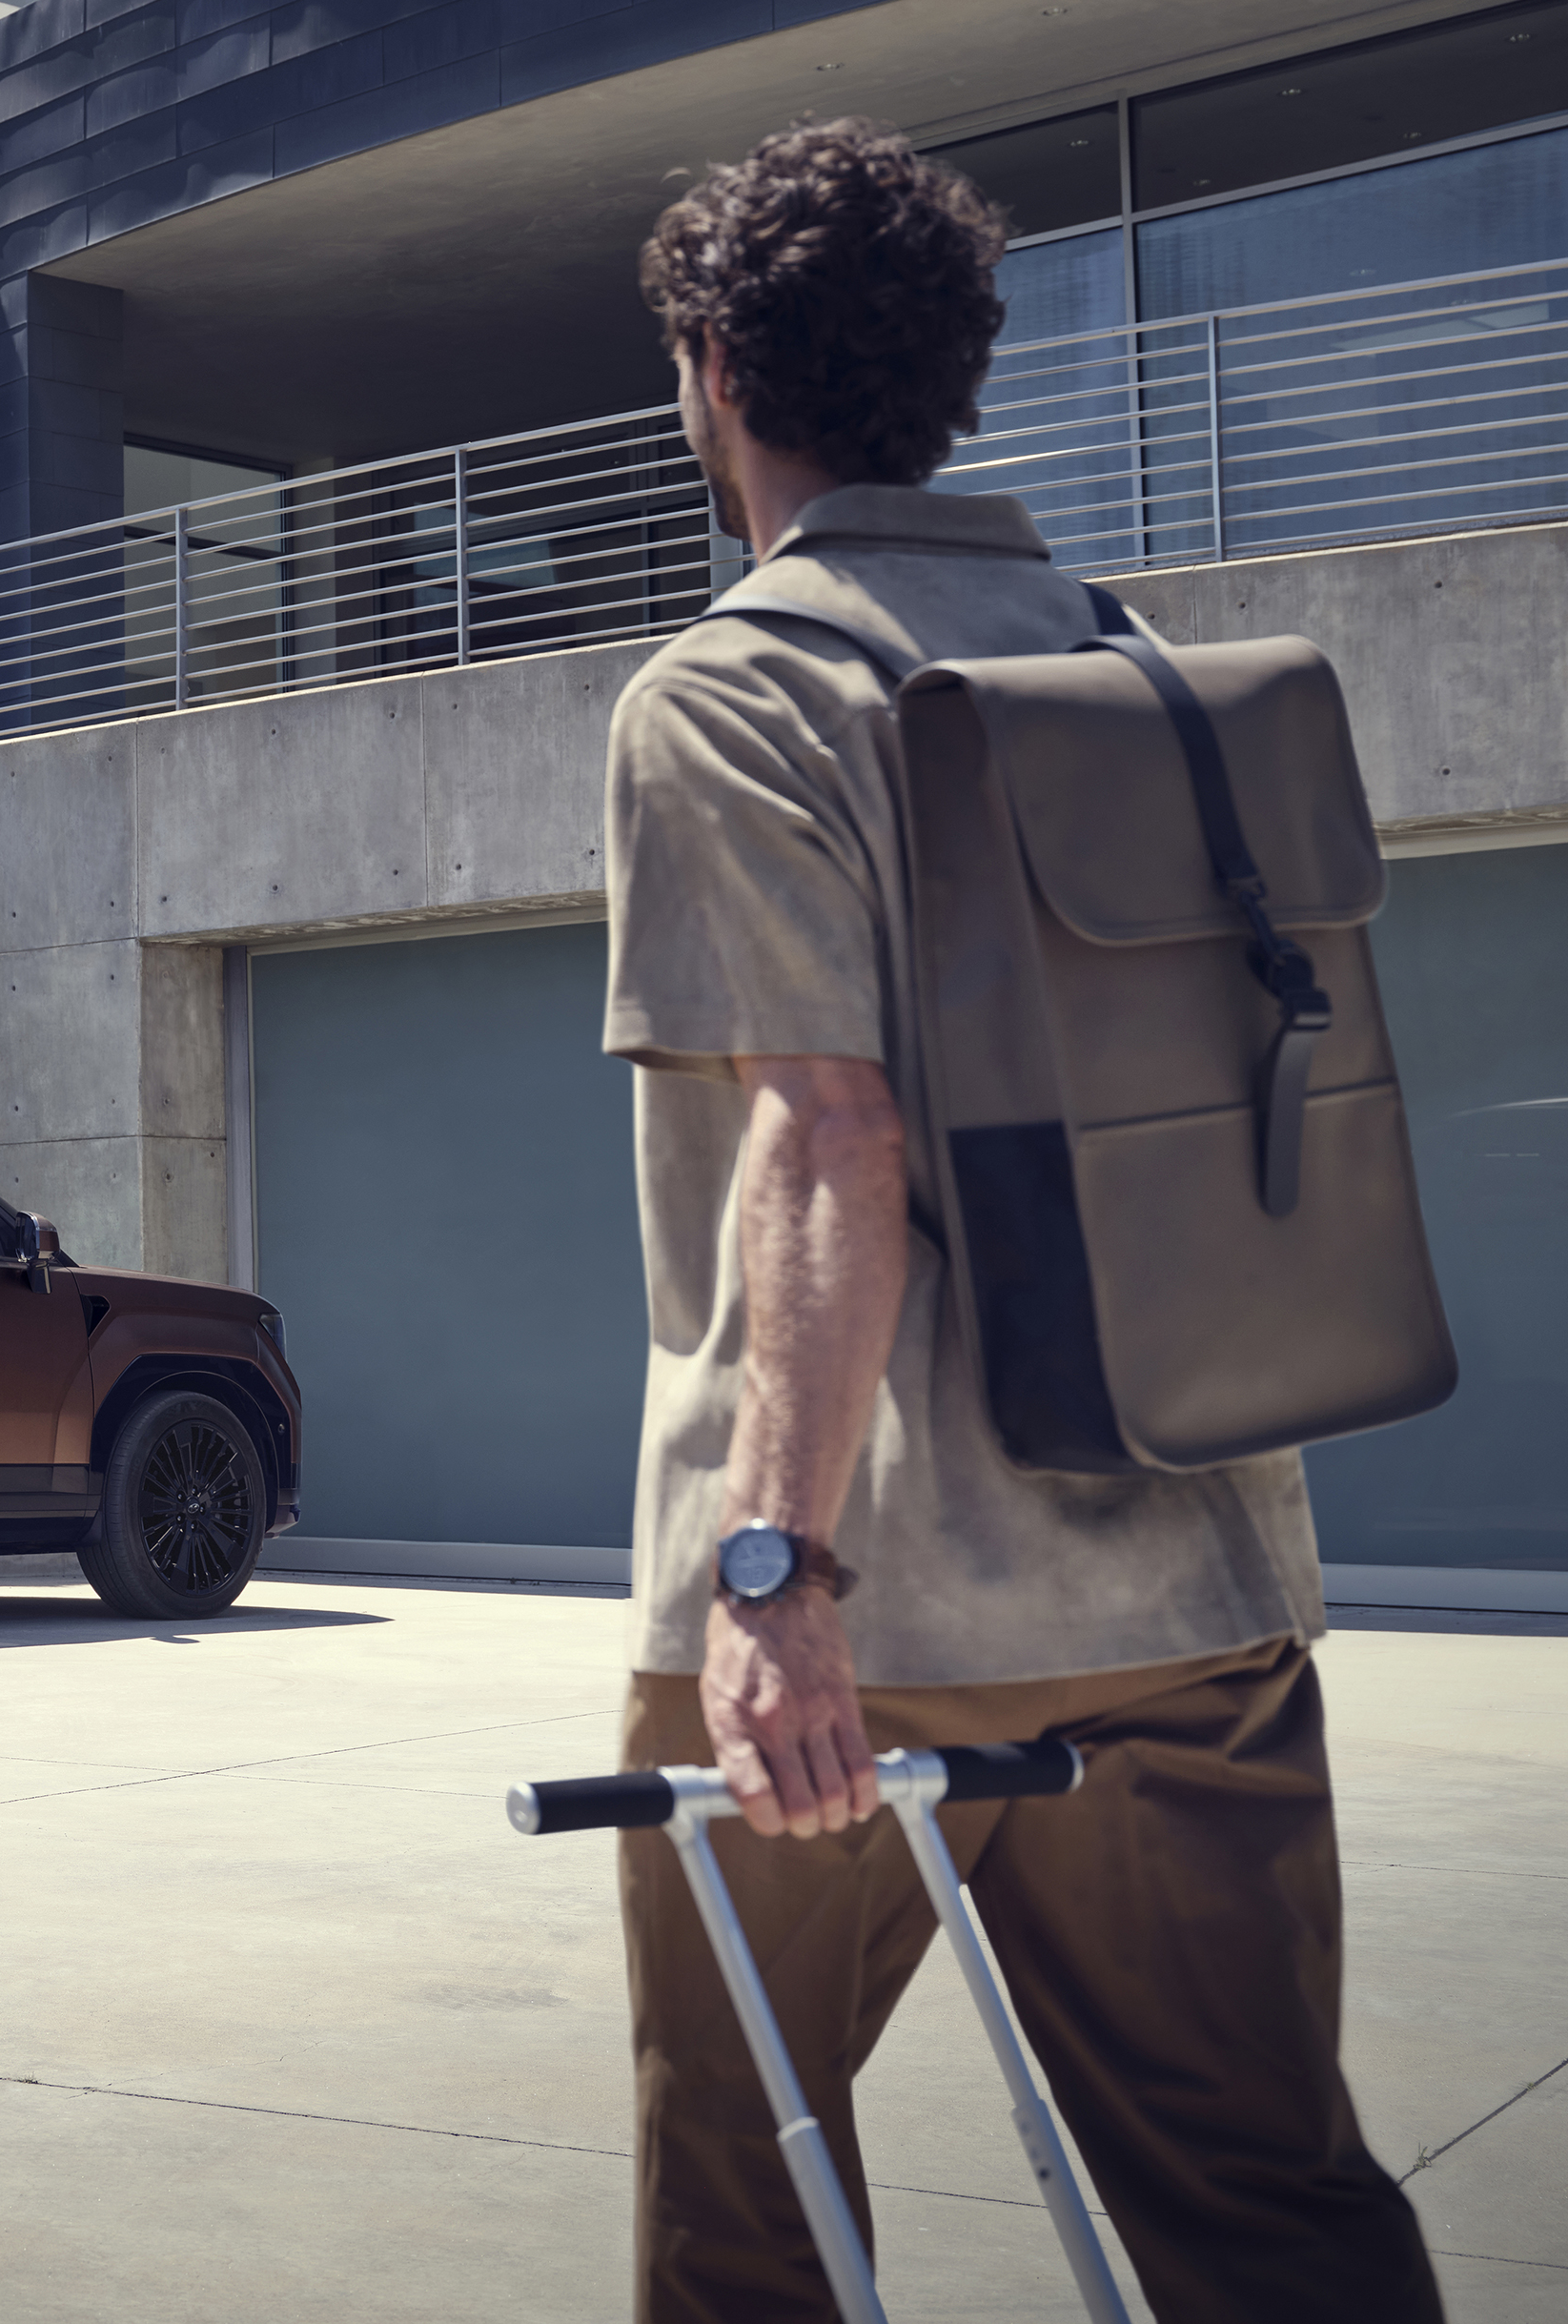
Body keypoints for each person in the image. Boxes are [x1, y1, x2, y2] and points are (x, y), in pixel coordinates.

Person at [600, 118, 1436, 2321]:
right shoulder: (1126, 657)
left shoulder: (731, 687)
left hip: (846, 1635)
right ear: (954, 376)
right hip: (1191, 1579)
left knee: (745, 2210)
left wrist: (773, 1566)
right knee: (1269, 2202)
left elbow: (823, 1132)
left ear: (708, 370)